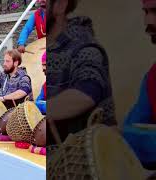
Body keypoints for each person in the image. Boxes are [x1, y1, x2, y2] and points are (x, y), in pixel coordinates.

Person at [46, 0, 117, 142]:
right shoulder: (48, 49)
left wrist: (37, 113)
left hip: (81, 160)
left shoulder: (84, 46)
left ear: (60, 5)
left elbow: (87, 93)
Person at [122, 0, 156, 170]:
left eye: (155, 11)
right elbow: (131, 128)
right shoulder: (152, 77)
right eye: (146, 12)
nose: (148, 21)